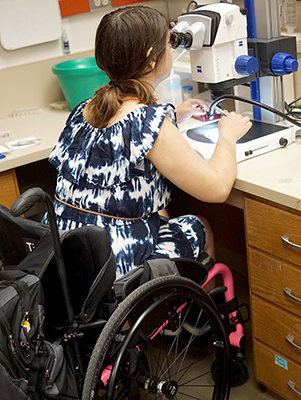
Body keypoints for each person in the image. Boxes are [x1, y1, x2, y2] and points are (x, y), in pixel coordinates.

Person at [45, 6, 251, 279]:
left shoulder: (84, 110)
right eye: (169, 43)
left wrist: (175, 114)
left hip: (67, 261)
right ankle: (198, 315)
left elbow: (116, 140)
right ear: (151, 60)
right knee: (198, 224)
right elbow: (218, 189)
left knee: (162, 211)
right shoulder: (147, 123)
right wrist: (228, 135)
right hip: (115, 272)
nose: (171, 48)